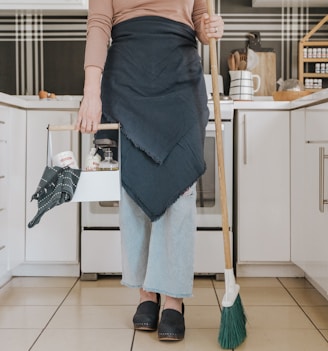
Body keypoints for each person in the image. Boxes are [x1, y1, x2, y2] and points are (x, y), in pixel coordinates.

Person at [76, 0, 224, 342]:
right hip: (127, 76)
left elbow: (200, 18)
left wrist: (208, 28)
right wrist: (91, 92)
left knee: (180, 188)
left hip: (180, 76)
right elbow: (99, 24)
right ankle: (146, 292)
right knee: (135, 189)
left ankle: (173, 298)